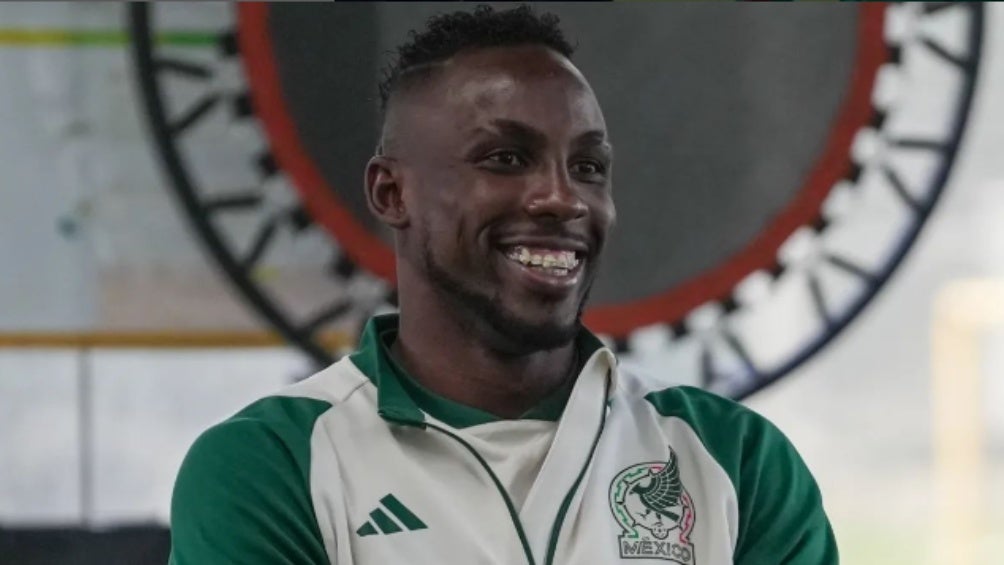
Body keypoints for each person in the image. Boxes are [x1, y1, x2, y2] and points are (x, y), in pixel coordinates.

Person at [168, 6, 837, 564]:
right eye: (506, 158)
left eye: (589, 167)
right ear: (391, 192)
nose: (562, 198)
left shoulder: (736, 459)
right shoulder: (270, 464)